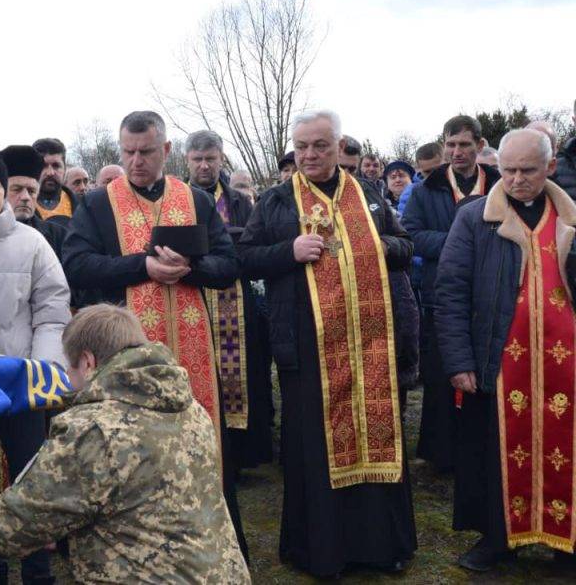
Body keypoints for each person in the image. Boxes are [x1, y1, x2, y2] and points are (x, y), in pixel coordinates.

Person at [239, 109, 417, 578]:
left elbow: (404, 247)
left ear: (338, 147)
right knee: (314, 449)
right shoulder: (277, 201)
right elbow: (245, 258)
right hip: (305, 346)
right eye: (302, 147)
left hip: (370, 343)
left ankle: (381, 546)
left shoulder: (369, 195)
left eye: (320, 145)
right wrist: (288, 251)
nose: (311, 155)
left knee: (376, 437)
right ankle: (322, 552)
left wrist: (372, 247)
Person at [62, 111, 247, 556]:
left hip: (192, 350)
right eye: (128, 152)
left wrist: (192, 268)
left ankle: (205, 546)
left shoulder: (196, 200)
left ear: (165, 150)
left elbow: (229, 265)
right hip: (125, 352)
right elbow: (76, 263)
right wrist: (141, 266)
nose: (136, 160)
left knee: (198, 439)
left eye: (146, 151)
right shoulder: (98, 204)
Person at [0, 304, 250, 584]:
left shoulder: (94, 429)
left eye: (71, 366)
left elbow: (8, 529)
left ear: (88, 362)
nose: (68, 377)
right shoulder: (189, 408)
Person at [437, 128, 576, 570]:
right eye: (508, 169)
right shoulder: (473, 217)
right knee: (495, 455)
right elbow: (451, 291)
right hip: (498, 360)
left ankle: (565, 541)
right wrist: (459, 361)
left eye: (527, 170)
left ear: (550, 168)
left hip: (567, 364)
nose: (516, 179)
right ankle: (498, 540)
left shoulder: (572, 218)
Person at [0, 151, 71, 584]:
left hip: (23, 383)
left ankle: (38, 572)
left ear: (5, 191)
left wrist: (40, 370)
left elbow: (52, 309)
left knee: (32, 481)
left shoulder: (31, 243)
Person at [402, 115, 501, 472]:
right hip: (440, 294)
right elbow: (410, 232)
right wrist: (459, 244)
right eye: (451, 144)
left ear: (479, 144)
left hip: (493, 296)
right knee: (443, 377)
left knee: (487, 376)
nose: (457, 152)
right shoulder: (428, 188)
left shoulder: (499, 183)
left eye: (464, 144)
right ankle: (441, 453)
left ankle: (487, 451)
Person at [185, 130, 273, 471]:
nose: (205, 166)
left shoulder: (239, 201)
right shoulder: (178, 197)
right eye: (198, 159)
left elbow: (249, 244)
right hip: (193, 295)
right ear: (187, 161)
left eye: (211, 159)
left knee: (244, 374)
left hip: (235, 296)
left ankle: (242, 453)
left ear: (221, 159)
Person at [0, 145, 67, 261]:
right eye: (17, 189)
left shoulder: (59, 236)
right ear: (1, 192)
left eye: (31, 191)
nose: (26, 197)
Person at [33, 138, 77, 224]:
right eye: (43, 166)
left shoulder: (82, 208)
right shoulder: (17, 209)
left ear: (65, 168)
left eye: (56, 166)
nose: (50, 173)